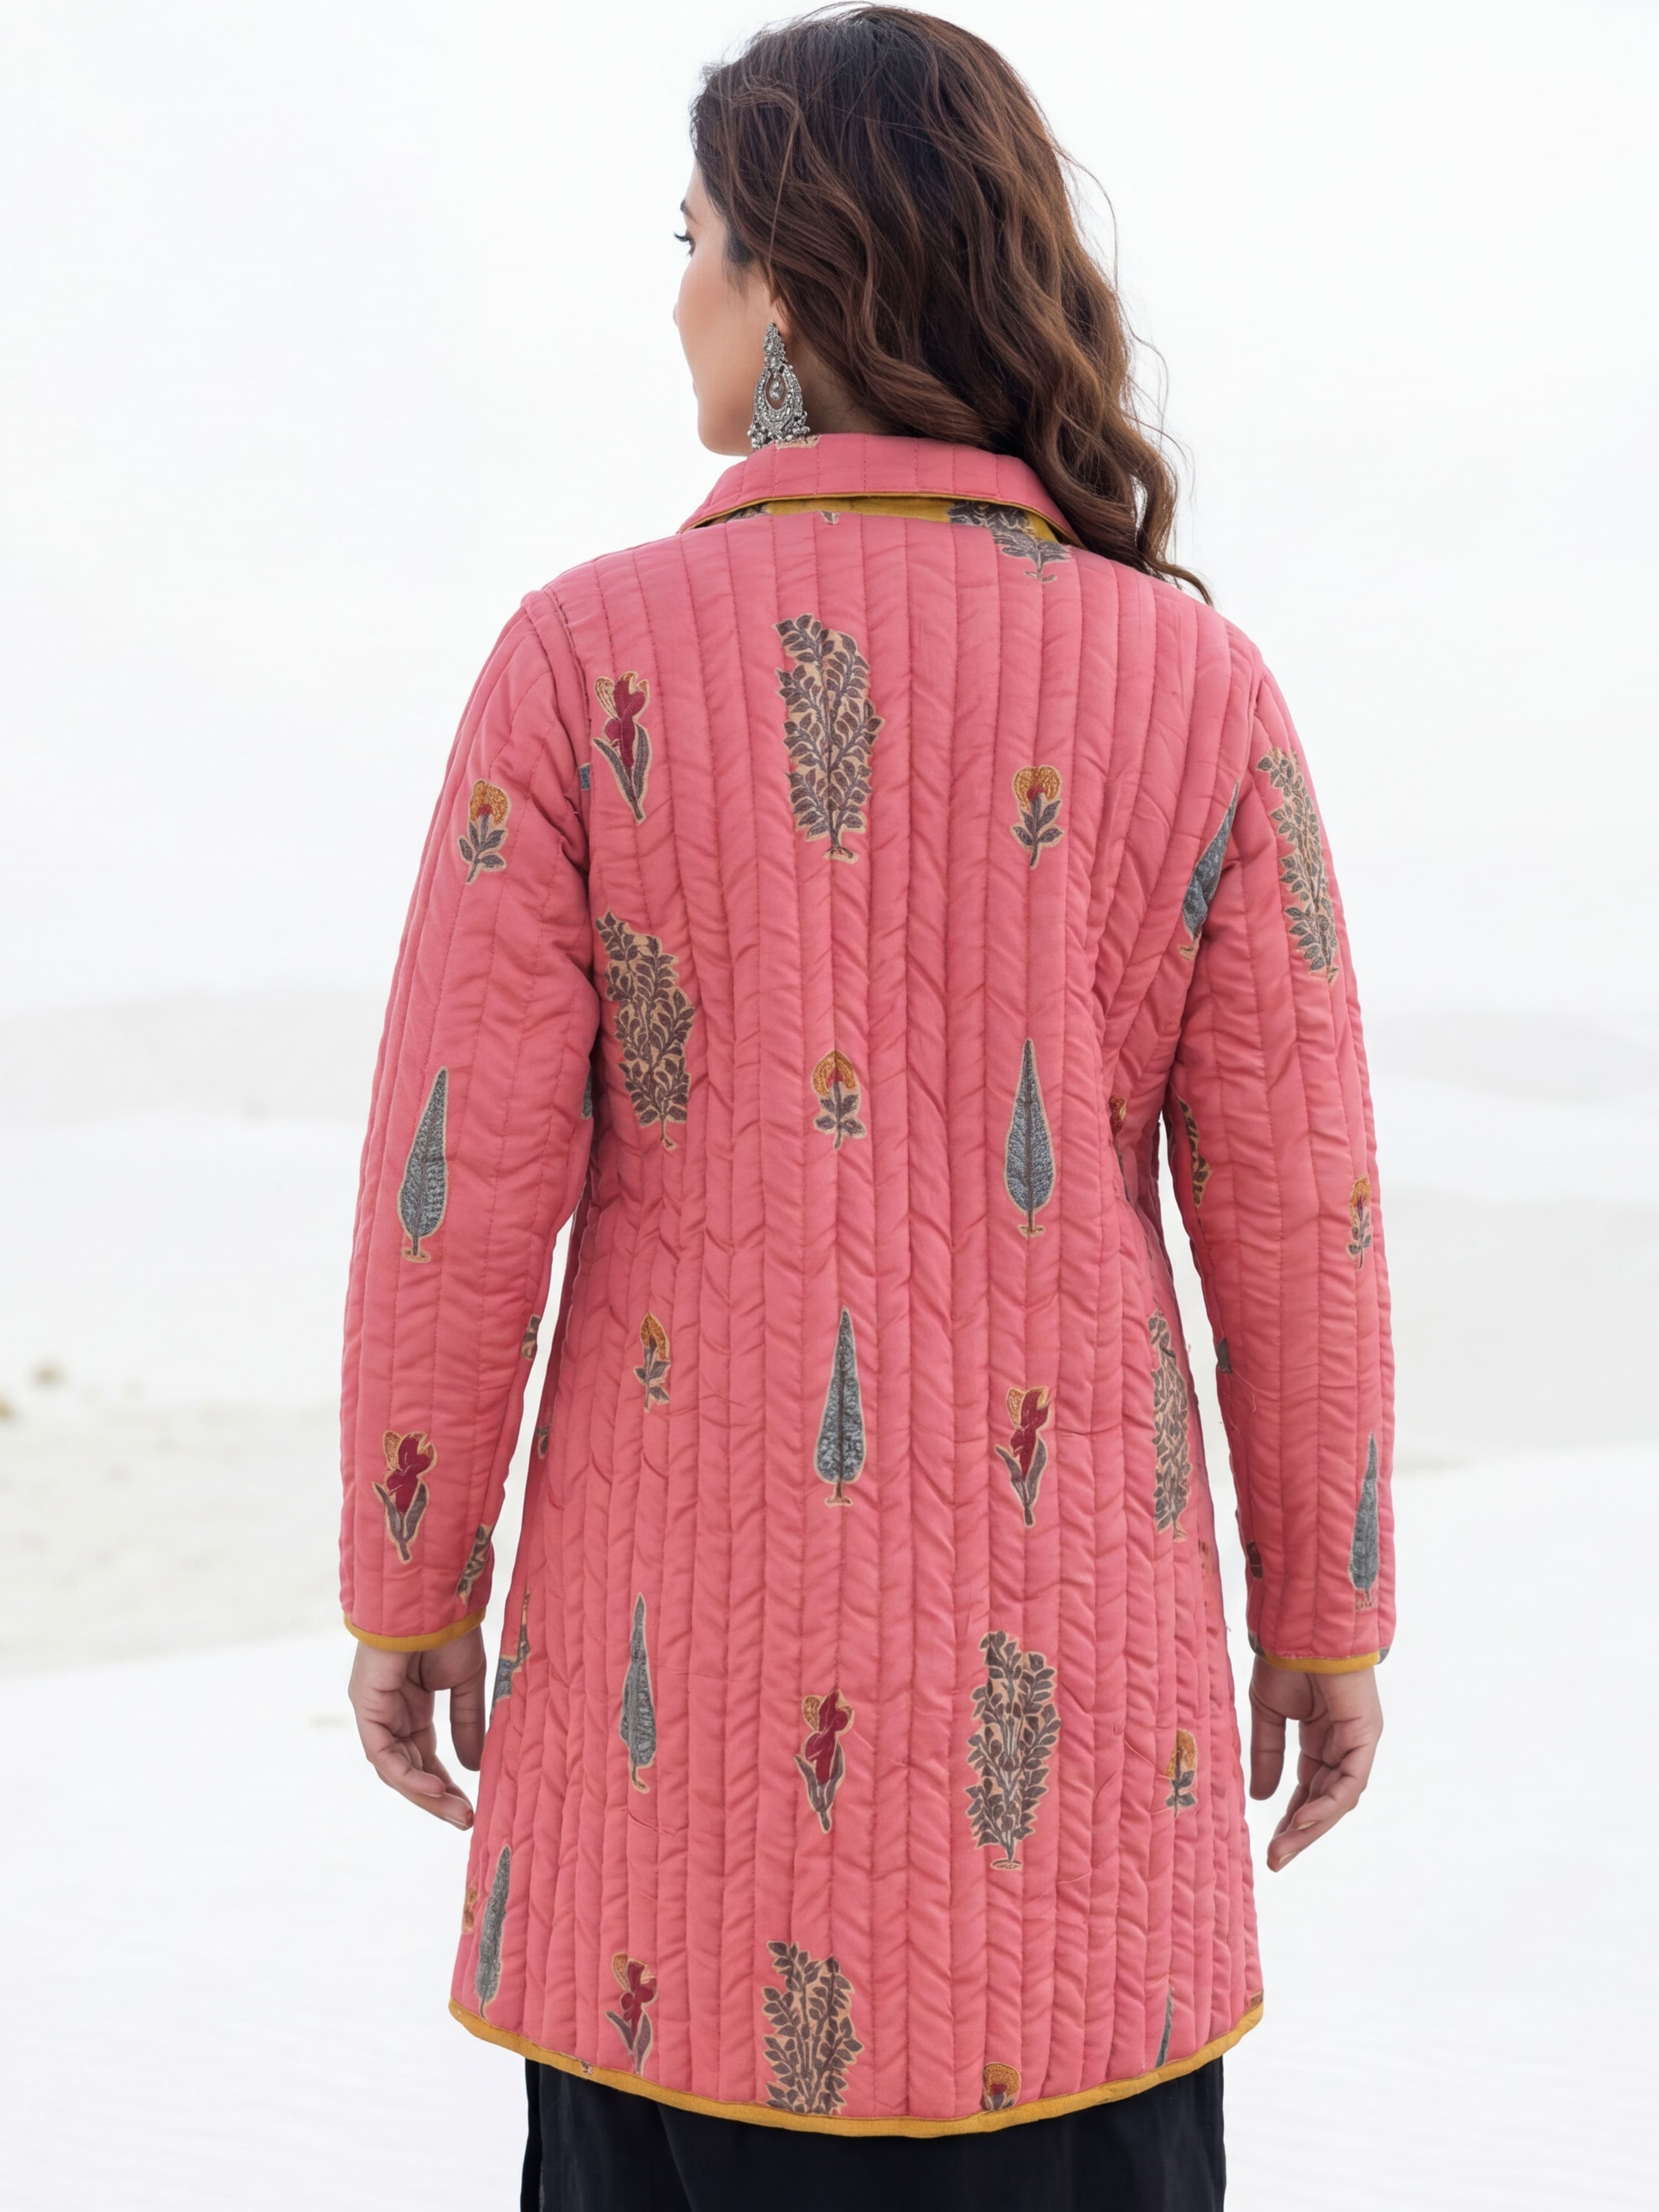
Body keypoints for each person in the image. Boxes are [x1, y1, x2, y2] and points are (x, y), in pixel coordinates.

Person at [341, 9, 1390, 2207]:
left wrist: (410, 1575)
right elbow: (1300, 1206)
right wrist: (1327, 1609)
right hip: (1084, 1809)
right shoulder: (1197, 683)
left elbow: (462, 1180)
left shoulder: (583, 662)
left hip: (669, 1810)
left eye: (694, 244)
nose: (676, 299)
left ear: (795, 284)